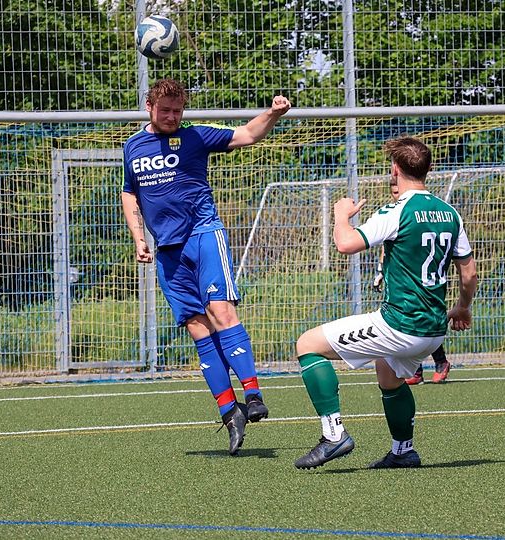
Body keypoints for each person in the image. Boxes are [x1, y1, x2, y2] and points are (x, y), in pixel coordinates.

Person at [121, 78, 291, 456]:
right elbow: (129, 191)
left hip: (203, 235)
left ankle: (254, 394)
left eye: (177, 111)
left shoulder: (196, 136)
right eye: (165, 110)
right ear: (149, 107)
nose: (171, 117)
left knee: (221, 310)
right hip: (167, 251)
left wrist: (273, 113)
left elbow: (248, 134)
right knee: (198, 328)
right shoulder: (132, 146)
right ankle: (230, 412)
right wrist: (138, 237)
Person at [293, 136, 478, 470]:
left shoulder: (398, 211)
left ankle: (334, 435)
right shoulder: (450, 213)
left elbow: (346, 244)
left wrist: (340, 215)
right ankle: (403, 451)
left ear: (395, 170)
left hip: (400, 325)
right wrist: (463, 307)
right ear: (428, 169)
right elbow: (469, 273)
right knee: (387, 371)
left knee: (308, 344)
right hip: (434, 331)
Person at [372, 176, 453, 385]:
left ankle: (440, 362)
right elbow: (388, 247)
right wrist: (380, 271)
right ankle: (416, 371)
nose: (397, 195)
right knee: (407, 321)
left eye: (398, 190)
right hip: (400, 279)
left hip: (422, 279)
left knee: (421, 320)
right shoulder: (396, 213)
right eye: (394, 192)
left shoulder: (418, 214)